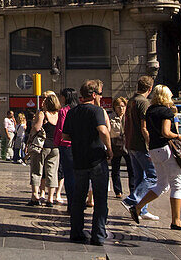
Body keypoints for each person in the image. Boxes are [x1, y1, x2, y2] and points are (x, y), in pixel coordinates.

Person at [129, 85, 181, 232]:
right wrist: (178, 135)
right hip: (165, 150)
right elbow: (166, 132)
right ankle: (176, 221)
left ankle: (138, 207)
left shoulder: (150, 110)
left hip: (153, 149)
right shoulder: (166, 111)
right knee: (177, 185)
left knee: (162, 184)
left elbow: (144, 128)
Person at [64, 79, 112, 246]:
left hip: (79, 160)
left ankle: (76, 232)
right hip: (96, 159)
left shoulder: (72, 112)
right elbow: (103, 130)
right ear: (93, 95)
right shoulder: (97, 111)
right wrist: (109, 148)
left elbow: (65, 136)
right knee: (100, 199)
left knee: (78, 199)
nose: (101, 97)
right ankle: (98, 235)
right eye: (99, 94)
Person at [122, 76, 160, 222]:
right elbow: (144, 128)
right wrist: (149, 143)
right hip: (140, 145)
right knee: (153, 176)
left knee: (139, 177)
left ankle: (141, 209)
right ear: (150, 89)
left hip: (131, 143)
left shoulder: (131, 101)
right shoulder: (143, 102)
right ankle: (132, 200)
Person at [29, 91, 60, 206]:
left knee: (37, 170)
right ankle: (50, 198)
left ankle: (35, 196)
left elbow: (37, 128)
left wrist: (31, 133)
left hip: (42, 146)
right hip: (55, 147)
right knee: (52, 172)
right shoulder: (58, 114)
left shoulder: (43, 113)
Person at [54, 87, 79, 203]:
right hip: (80, 145)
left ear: (65, 97)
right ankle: (79, 201)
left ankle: (72, 202)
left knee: (69, 175)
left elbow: (61, 130)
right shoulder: (79, 109)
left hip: (66, 145)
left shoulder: (64, 111)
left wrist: (56, 143)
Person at [110, 97, 130, 197]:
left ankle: (133, 189)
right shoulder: (111, 118)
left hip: (128, 146)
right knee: (115, 169)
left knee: (132, 169)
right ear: (115, 107)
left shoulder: (129, 117)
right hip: (116, 146)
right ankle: (118, 191)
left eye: (123, 106)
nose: (121, 109)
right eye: (119, 107)